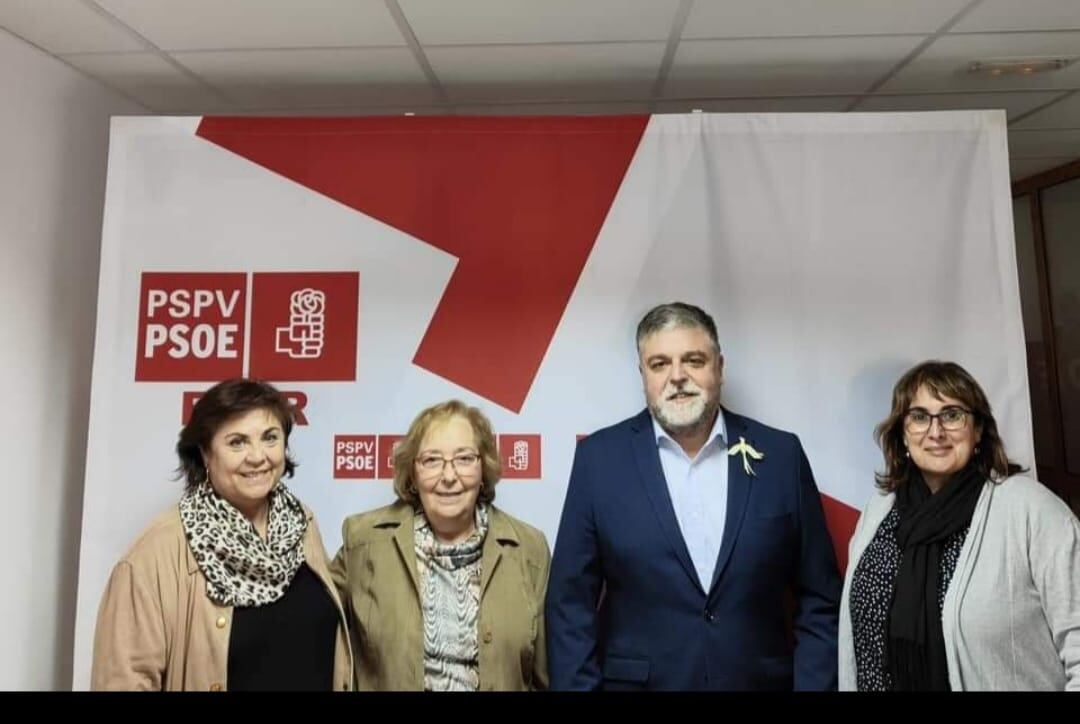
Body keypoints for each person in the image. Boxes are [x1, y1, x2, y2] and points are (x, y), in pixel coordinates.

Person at [546, 301, 840, 690]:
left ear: (719, 367)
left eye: (694, 360)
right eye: (660, 364)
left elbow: (821, 599)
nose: (677, 376)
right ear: (642, 375)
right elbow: (569, 606)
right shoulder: (598, 461)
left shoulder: (781, 456)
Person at [91, 378, 353, 691]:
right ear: (205, 453)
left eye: (270, 438)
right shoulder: (155, 554)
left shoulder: (301, 524)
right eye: (237, 442)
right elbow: (123, 681)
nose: (257, 456)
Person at [840, 360, 1080, 690]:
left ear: (978, 429)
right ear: (903, 434)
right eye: (919, 417)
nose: (936, 432)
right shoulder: (878, 512)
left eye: (952, 415)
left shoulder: (1030, 510)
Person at [331, 400, 549, 690]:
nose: (448, 476)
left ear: (483, 469)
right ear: (413, 473)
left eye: (464, 459)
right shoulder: (363, 542)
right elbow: (307, 623)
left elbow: (546, 675)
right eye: (432, 460)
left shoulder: (529, 550)